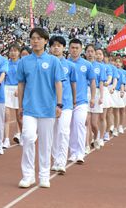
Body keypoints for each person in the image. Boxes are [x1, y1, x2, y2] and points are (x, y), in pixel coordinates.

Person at [17, 27, 63, 189]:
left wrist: (59, 104)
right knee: (28, 138)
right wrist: (20, 106)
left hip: (47, 108)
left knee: (45, 143)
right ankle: (28, 175)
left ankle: (44, 175)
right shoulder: (24, 61)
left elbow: (58, 83)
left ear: (45, 41)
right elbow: (21, 85)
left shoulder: (53, 61)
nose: (35, 41)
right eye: (33, 38)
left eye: (38, 38)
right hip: (29, 107)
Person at [49, 36, 76, 174]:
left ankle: (61, 161)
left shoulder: (70, 66)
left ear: (64, 48)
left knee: (63, 131)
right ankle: (55, 160)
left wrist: (74, 101)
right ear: (50, 48)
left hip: (66, 104)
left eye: (59, 45)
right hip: (50, 104)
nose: (56, 48)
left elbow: (73, 85)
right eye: (54, 45)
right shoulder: (47, 64)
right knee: (53, 133)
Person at [67, 38, 96, 164]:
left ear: (81, 49)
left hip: (81, 101)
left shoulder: (87, 65)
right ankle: (73, 152)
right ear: (69, 49)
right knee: (69, 128)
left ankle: (80, 152)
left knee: (79, 125)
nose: (74, 50)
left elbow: (93, 82)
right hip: (67, 101)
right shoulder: (64, 63)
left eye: (77, 48)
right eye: (72, 48)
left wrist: (93, 97)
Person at [4, 44, 23, 147]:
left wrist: (19, 89)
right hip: (7, 88)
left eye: (15, 51)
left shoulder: (21, 64)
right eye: (11, 51)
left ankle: (22, 135)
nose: (13, 53)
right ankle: (6, 139)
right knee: (6, 116)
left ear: (19, 52)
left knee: (19, 117)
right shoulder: (6, 63)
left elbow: (24, 78)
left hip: (17, 89)